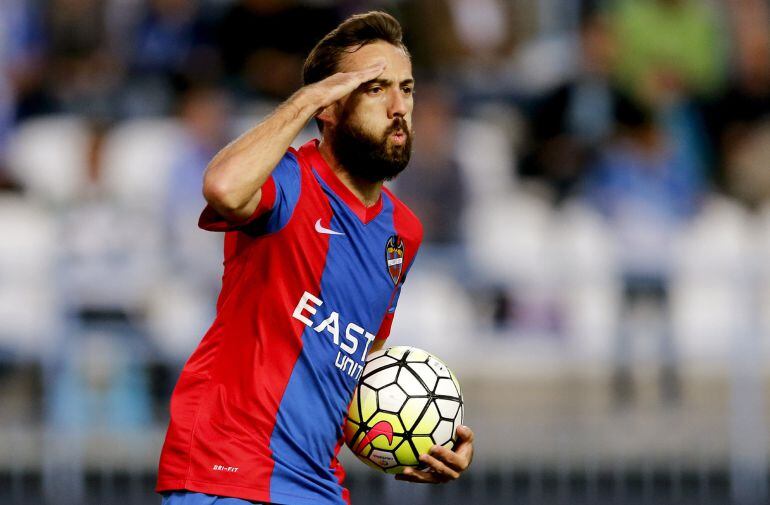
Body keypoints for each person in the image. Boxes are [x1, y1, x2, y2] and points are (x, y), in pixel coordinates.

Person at [156, 11, 474, 505]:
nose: (398, 106)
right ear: (330, 106)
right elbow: (221, 186)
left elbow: (351, 368)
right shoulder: (289, 180)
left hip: (317, 485)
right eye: (374, 88)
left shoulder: (403, 232)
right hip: (227, 471)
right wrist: (305, 99)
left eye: (407, 89)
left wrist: (420, 439)